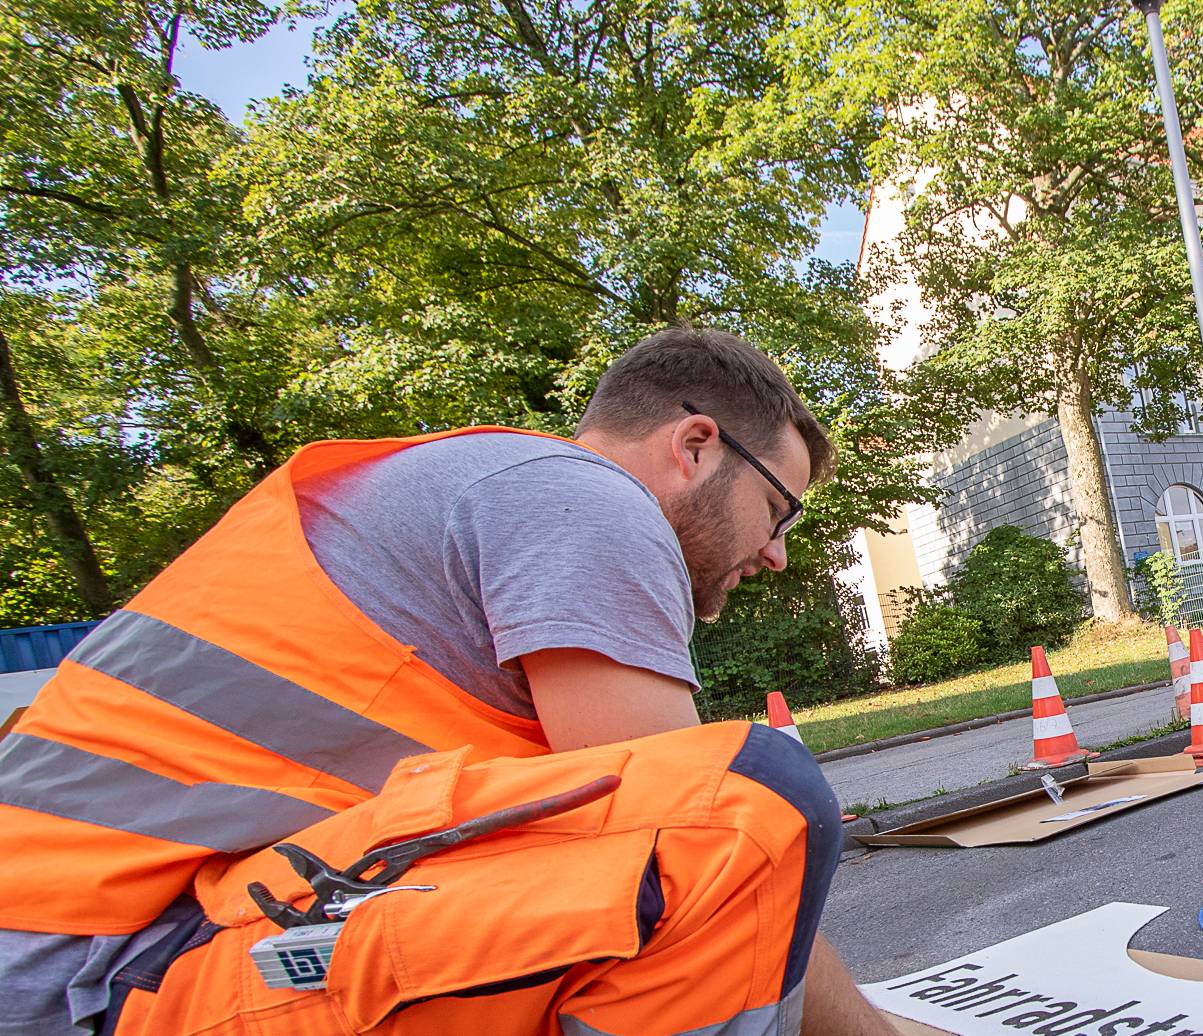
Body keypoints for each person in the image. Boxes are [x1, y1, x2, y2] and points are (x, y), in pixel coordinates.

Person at [0, 328, 898, 1035]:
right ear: (695, 445)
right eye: (777, 510)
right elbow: (703, 836)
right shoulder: (579, 498)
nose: (776, 554)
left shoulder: (468, 487)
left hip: (107, 948)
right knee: (752, 797)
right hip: (98, 970)